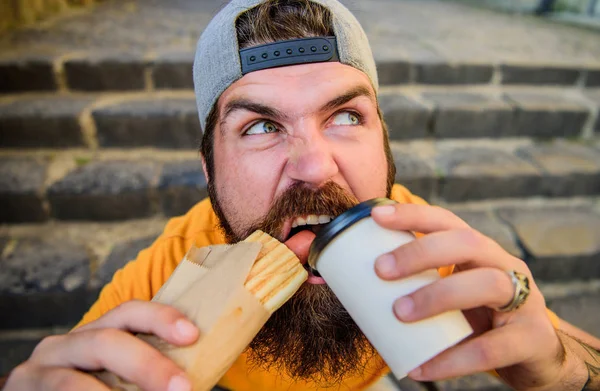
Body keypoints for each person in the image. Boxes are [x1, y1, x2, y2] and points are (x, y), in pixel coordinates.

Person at [4, 0, 600, 390]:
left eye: (345, 116)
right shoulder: (169, 274)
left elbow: (570, 356)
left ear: (386, 145)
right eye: (260, 126)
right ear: (208, 168)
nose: (315, 167)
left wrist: (561, 366)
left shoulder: (422, 244)